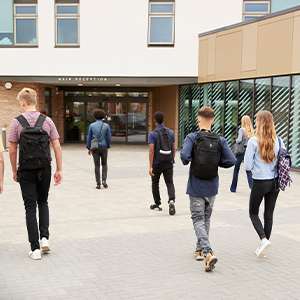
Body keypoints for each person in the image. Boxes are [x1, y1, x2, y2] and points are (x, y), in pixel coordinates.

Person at [8, 88, 62, 260]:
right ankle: (44, 238)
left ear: (22, 102)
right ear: (36, 101)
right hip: (44, 168)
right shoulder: (47, 121)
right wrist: (59, 169)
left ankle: (35, 249)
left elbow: (12, 150)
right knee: (43, 201)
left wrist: (14, 170)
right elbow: (57, 147)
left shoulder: (16, 122)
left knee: (30, 207)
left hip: (25, 169)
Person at [180, 107, 236, 272]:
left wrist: (190, 161)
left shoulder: (192, 137)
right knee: (206, 219)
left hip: (196, 186)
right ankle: (198, 251)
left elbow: (184, 157)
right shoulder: (221, 139)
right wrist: (216, 163)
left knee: (197, 219)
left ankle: (208, 252)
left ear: (198, 119)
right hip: (212, 186)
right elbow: (231, 160)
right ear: (213, 120)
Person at [244, 110, 283, 259]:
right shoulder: (279, 140)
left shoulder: (254, 141)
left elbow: (247, 166)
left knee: (253, 213)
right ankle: (263, 247)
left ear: (258, 123)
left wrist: (257, 168)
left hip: (260, 181)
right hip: (275, 182)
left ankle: (263, 239)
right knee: (269, 214)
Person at [148, 111, 176, 215]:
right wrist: (172, 160)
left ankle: (157, 204)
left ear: (155, 121)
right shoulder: (171, 132)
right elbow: (173, 148)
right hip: (168, 162)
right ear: (164, 120)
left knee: (155, 183)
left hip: (156, 162)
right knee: (169, 182)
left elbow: (151, 150)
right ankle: (171, 200)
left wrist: (150, 166)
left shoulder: (153, 134)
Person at [86, 109, 111, 189]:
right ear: (103, 116)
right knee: (104, 164)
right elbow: (109, 138)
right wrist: (108, 145)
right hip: (103, 146)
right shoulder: (106, 126)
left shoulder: (91, 126)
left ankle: (98, 184)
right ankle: (104, 180)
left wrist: (89, 147)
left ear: (94, 116)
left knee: (96, 166)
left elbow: (89, 137)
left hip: (95, 147)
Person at [229, 115, 254, 192]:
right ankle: (252, 187)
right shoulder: (251, 130)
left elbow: (239, 140)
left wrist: (236, 140)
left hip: (240, 151)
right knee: (248, 170)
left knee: (236, 169)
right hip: (248, 151)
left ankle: (233, 188)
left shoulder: (241, 130)